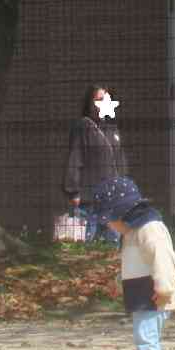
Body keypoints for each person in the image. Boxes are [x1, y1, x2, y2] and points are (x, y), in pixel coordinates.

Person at [88, 175, 175, 350]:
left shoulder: (149, 230)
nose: (109, 225)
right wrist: (120, 283)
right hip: (142, 293)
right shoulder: (132, 232)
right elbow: (134, 264)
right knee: (150, 337)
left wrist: (164, 288)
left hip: (153, 295)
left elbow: (163, 259)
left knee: (144, 337)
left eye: (109, 220)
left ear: (122, 213)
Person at [65, 85, 129, 241]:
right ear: (89, 103)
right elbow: (75, 158)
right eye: (98, 99)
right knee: (88, 244)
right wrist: (73, 190)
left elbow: (120, 160)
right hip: (90, 199)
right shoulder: (83, 127)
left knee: (113, 244)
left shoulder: (112, 128)